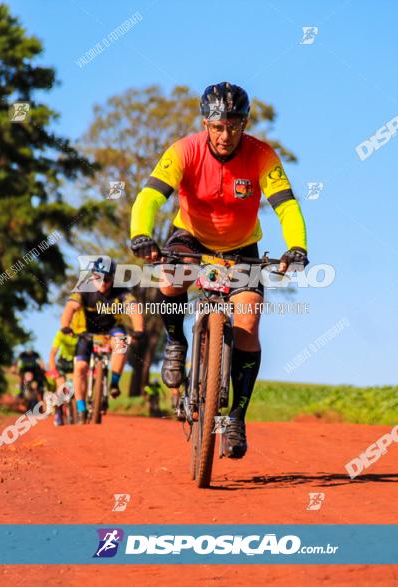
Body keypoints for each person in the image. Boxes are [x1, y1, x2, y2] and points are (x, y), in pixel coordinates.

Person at [129, 81, 309, 459]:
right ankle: (177, 342)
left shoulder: (262, 155)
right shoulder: (185, 150)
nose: (225, 135)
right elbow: (149, 196)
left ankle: (237, 418)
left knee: (248, 322)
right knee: (169, 277)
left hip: (242, 247)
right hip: (191, 237)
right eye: (217, 126)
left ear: (244, 123)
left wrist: (297, 247)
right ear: (205, 124)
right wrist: (141, 235)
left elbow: (286, 206)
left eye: (233, 125)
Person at [59, 258, 145, 422]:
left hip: (112, 330)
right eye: (99, 278)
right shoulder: (84, 289)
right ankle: (81, 407)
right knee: (80, 368)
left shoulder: (121, 291)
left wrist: (139, 330)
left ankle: (114, 382)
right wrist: (65, 325)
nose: (103, 283)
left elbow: (134, 309)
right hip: (88, 332)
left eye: (107, 278)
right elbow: (71, 307)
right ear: (92, 276)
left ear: (113, 277)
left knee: (121, 343)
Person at [48, 317, 80, 426]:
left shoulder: (80, 335)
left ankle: (79, 411)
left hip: (76, 363)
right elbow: (52, 353)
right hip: (63, 363)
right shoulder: (60, 334)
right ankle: (58, 413)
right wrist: (53, 370)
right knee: (60, 388)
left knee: (77, 385)